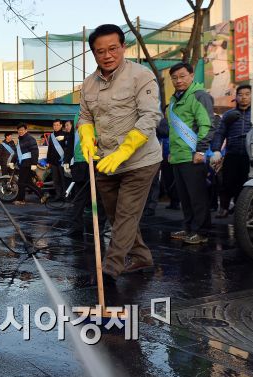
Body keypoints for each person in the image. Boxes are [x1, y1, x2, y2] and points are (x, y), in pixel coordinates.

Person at [78, 24, 163, 280]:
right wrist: (85, 136)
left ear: (123, 47)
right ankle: (141, 256)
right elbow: (84, 117)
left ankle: (111, 267)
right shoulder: (88, 84)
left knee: (126, 214)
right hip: (106, 162)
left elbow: (150, 117)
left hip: (140, 160)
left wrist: (124, 150)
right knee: (117, 217)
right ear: (94, 54)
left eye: (113, 48)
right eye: (100, 51)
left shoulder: (141, 76)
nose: (107, 55)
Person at [167, 62, 214, 244]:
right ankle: (188, 228)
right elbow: (173, 129)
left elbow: (207, 125)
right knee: (184, 197)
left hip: (193, 155)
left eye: (182, 76)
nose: (178, 81)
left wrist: (201, 150)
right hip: (178, 156)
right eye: (174, 77)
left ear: (192, 75)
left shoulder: (199, 96)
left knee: (197, 197)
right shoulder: (174, 99)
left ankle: (201, 232)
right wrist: (172, 152)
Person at [210, 85, 253, 218]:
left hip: (251, 155)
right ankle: (223, 208)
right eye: (240, 94)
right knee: (226, 182)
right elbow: (220, 133)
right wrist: (216, 150)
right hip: (232, 154)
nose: (244, 97)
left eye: (247, 94)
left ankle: (241, 209)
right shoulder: (229, 115)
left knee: (245, 183)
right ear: (236, 97)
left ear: (252, 96)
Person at [8, 123, 41, 205]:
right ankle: (43, 195)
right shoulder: (20, 140)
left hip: (28, 163)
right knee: (28, 182)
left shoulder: (30, 139)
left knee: (21, 182)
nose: (20, 131)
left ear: (26, 130)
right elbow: (17, 153)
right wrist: (12, 161)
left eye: (22, 130)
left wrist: (34, 163)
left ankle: (21, 199)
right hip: (22, 163)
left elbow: (35, 151)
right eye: (19, 130)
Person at [47, 118, 67, 202]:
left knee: (64, 179)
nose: (56, 127)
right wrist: (48, 161)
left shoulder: (65, 134)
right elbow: (50, 148)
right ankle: (58, 195)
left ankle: (65, 195)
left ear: (61, 125)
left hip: (62, 161)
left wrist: (65, 138)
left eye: (58, 125)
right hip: (53, 161)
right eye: (54, 125)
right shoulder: (51, 136)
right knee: (56, 180)